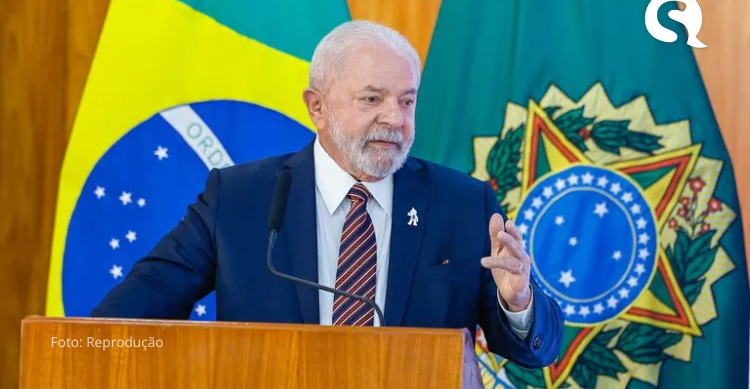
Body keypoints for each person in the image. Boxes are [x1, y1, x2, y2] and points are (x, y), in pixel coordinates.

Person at [92, 20, 563, 368]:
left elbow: (532, 351)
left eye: (407, 100)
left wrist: (518, 302)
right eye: (372, 99)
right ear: (317, 106)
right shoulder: (238, 198)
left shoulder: (462, 204)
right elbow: (132, 311)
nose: (395, 119)